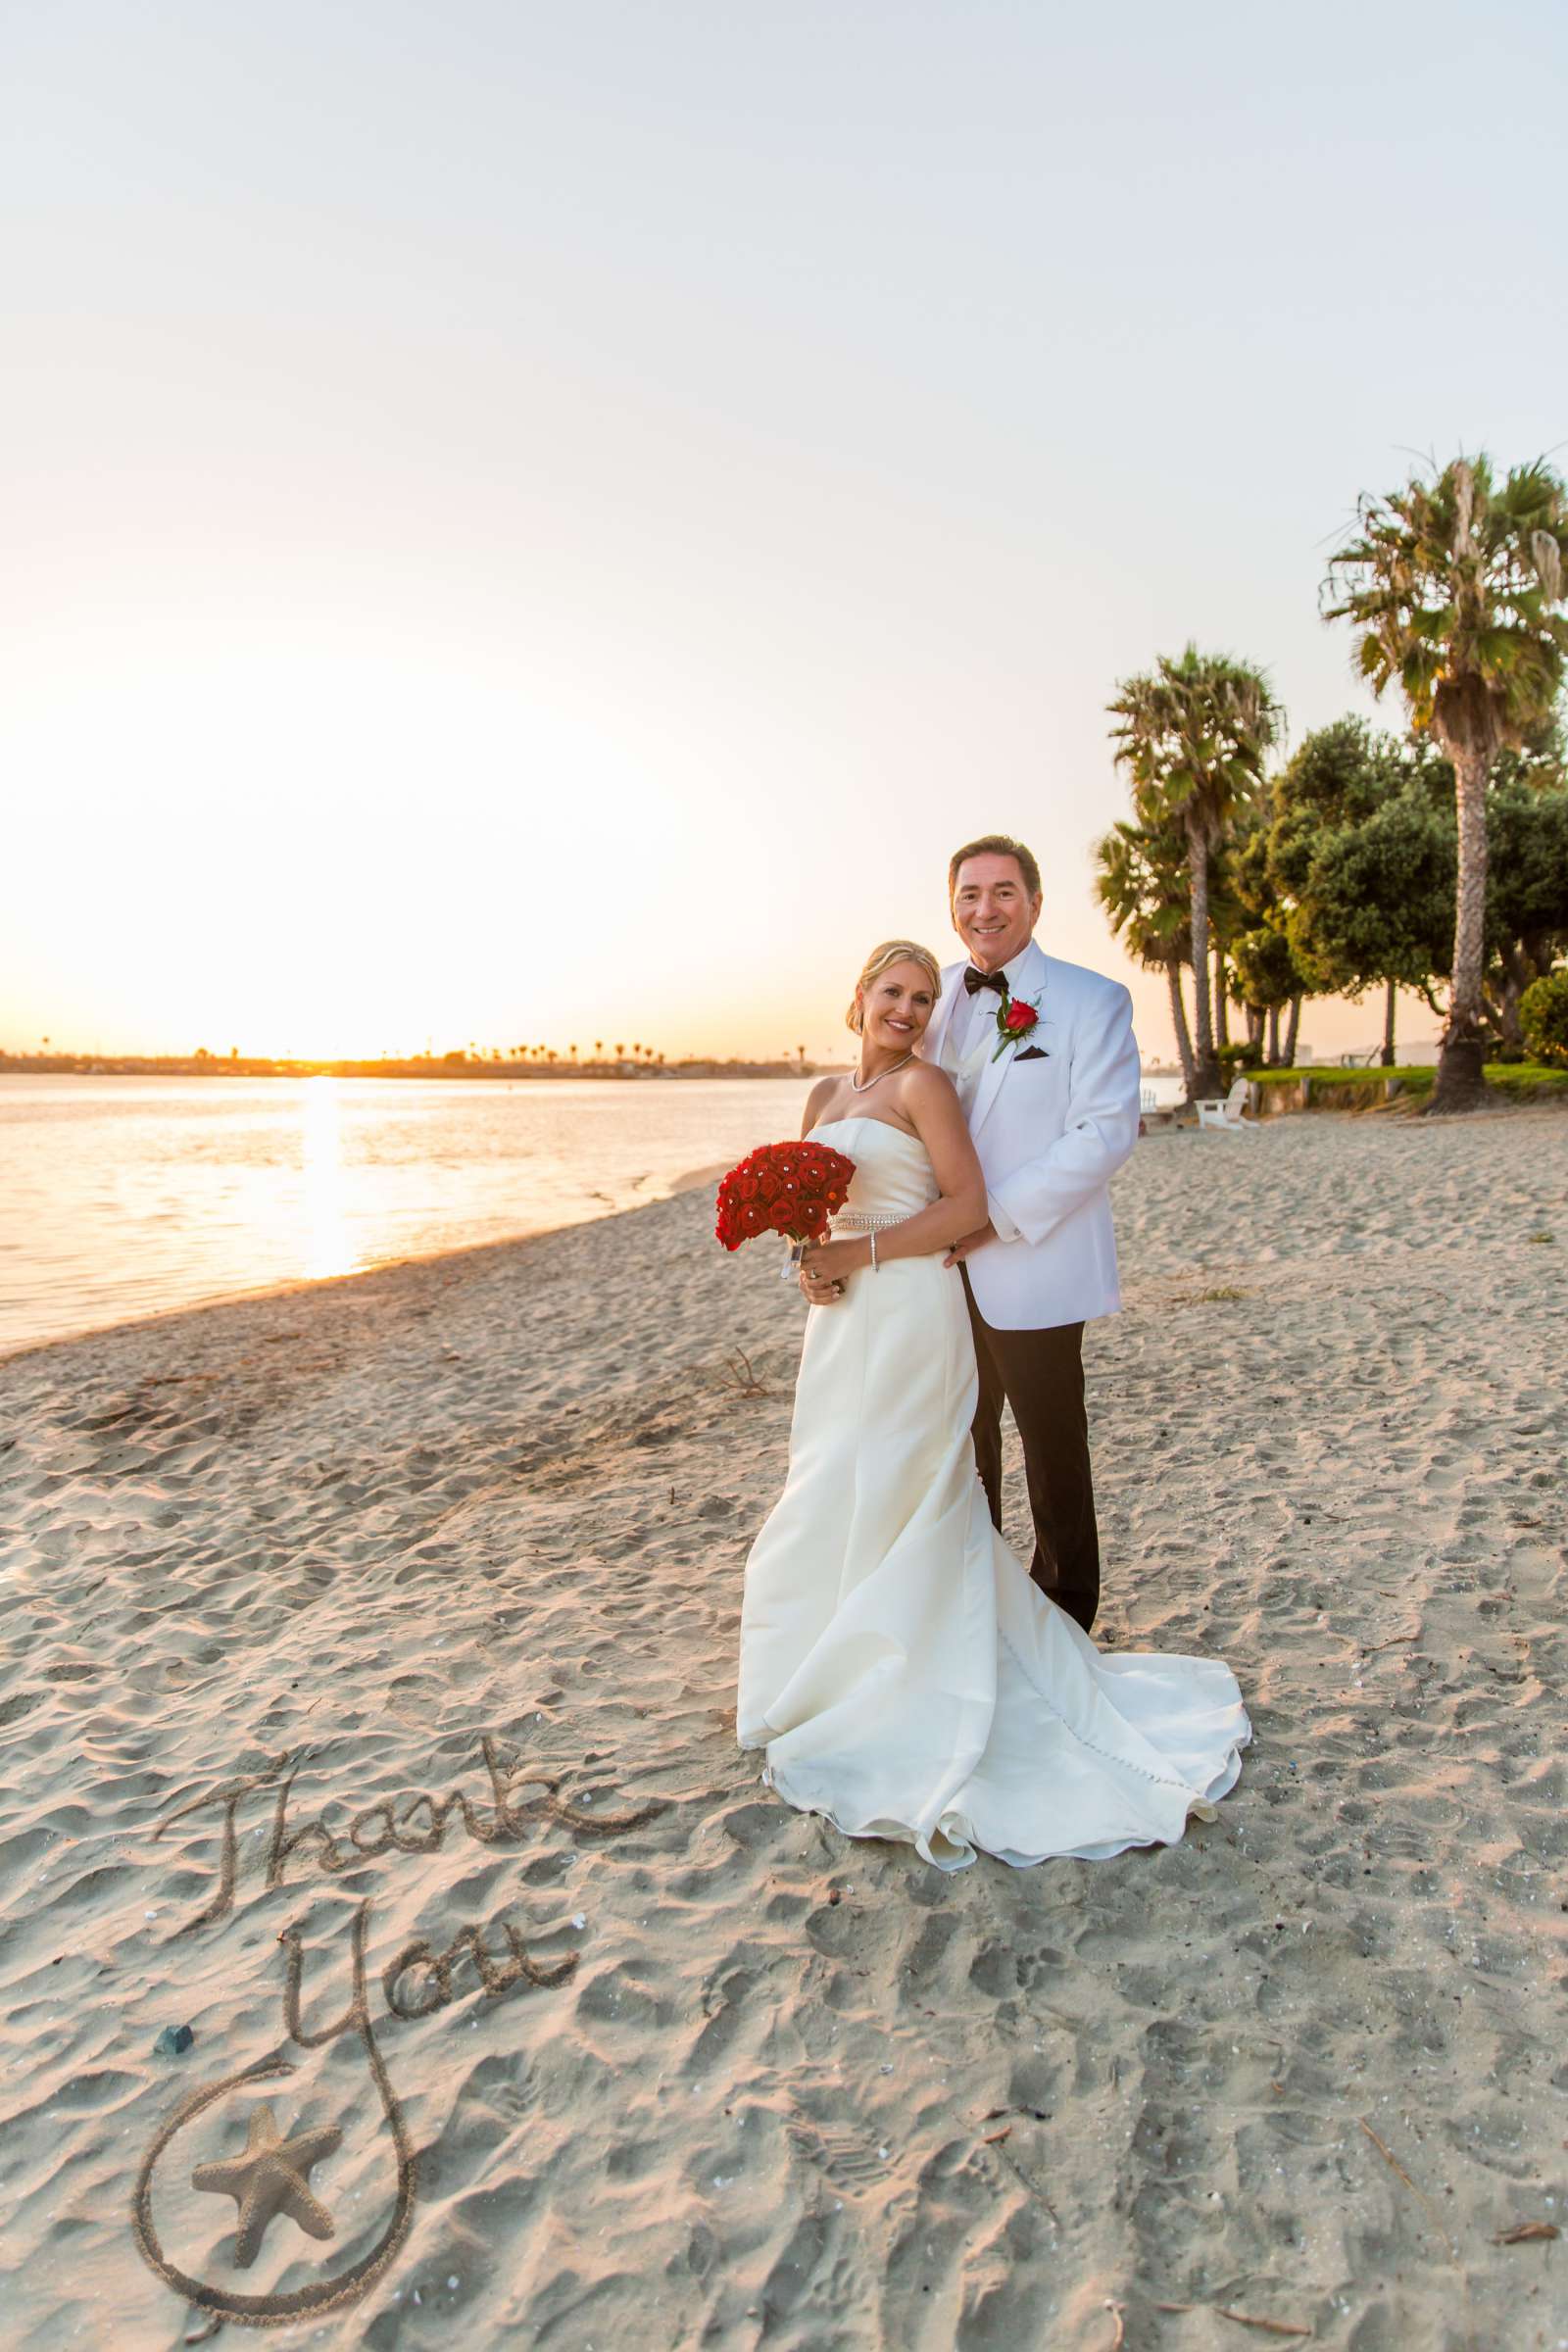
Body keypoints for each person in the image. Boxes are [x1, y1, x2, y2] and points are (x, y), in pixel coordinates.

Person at [736, 934, 1248, 1871]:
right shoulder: (821, 1098)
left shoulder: (924, 1088)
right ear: (857, 995)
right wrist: (805, 1264)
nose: (908, 1010)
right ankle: (834, 1657)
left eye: (923, 998)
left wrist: (860, 1255)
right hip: (841, 1324)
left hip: (911, 1309)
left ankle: (922, 1672)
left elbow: (966, 1205)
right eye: (893, 991)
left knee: (912, 1477)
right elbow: (815, 1222)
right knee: (837, 1476)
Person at [803, 833, 1137, 1636]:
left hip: (1035, 1258)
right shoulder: (933, 995)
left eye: (1003, 892)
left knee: (1053, 1448)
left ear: (1034, 901)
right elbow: (888, 1107)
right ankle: (972, 1602)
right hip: (929, 1276)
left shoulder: (1093, 1001)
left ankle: (1064, 1616)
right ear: (952, 908)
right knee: (957, 1440)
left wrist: (995, 1214)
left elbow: (1105, 1131)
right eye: (969, 895)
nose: (985, 908)